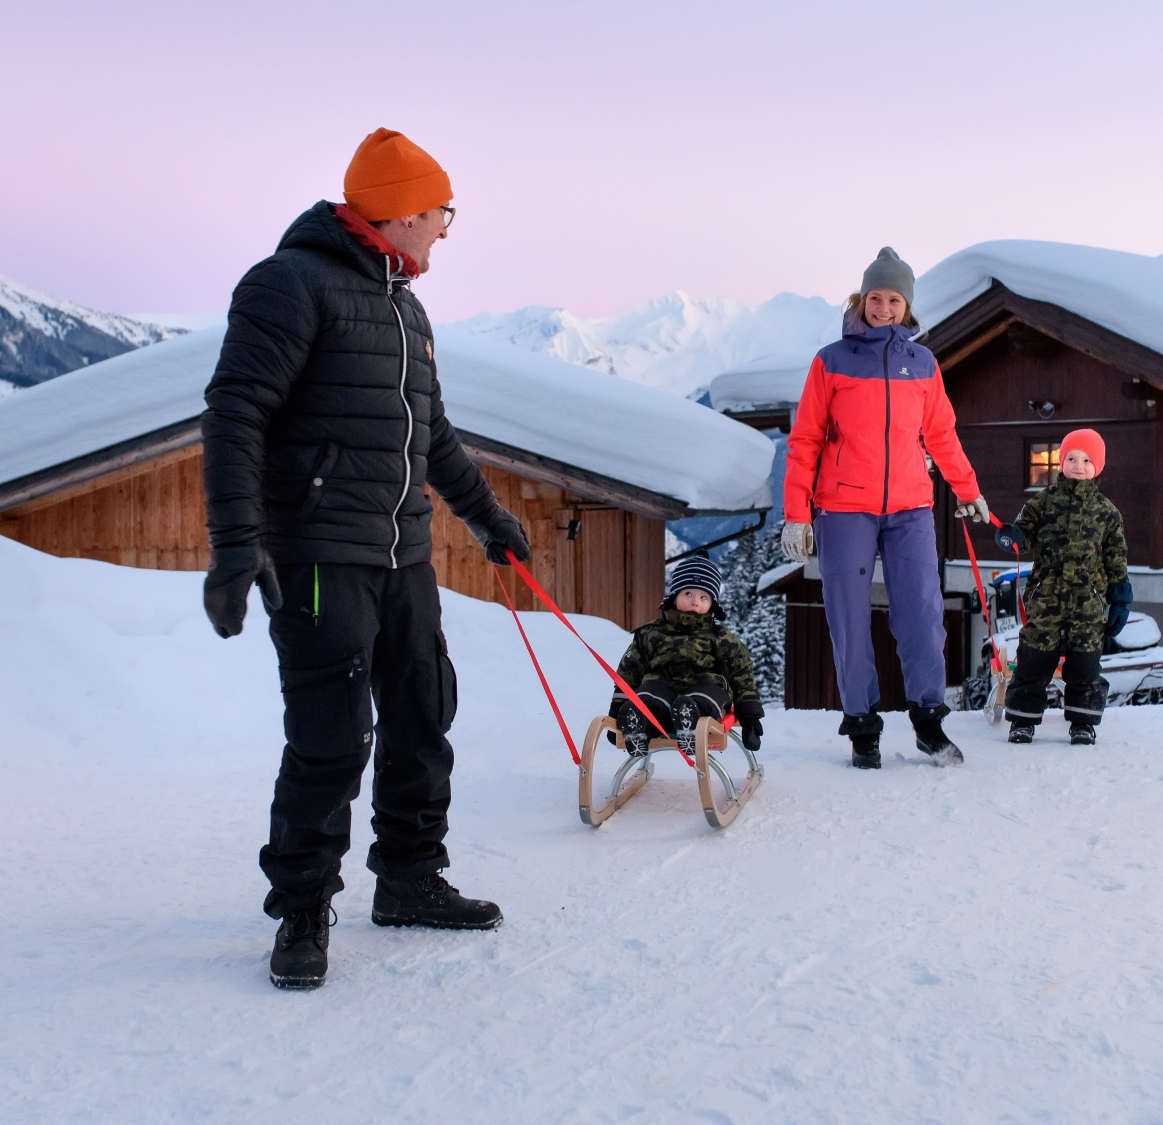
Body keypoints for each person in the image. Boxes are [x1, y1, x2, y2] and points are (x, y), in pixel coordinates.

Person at [201, 128, 532, 991]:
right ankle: (303, 907)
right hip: (317, 554)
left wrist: (489, 517)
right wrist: (238, 543)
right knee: (330, 735)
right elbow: (236, 411)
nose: (447, 230)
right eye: (441, 213)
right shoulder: (290, 285)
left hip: (403, 556)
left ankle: (410, 875)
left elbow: (433, 437)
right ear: (400, 212)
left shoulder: (405, 309)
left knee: (424, 713)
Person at [779, 248, 989, 770]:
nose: (884, 307)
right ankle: (863, 728)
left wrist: (968, 490)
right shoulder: (832, 360)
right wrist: (796, 513)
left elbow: (940, 434)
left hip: (911, 508)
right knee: (848, 619)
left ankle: (929, 724)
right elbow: (804, 439)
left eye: (895, 299)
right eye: (876, 297)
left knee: (922, 615)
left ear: (907, 305)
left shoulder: (922, 363)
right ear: (862, 298)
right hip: (843, 508)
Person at [993, 428, 1131, 746]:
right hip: (1046, 595)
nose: (1078, 465)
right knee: (1035, 657)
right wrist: (1011, 536)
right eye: (1071, 458)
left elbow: (1116, 557)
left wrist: (1120, 596)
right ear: (1061, 463)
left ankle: (1083, 722)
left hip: (1088, 600)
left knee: (1085, 661)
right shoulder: (1042, 503)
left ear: (1098, 466)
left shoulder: (1107, 512)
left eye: (1086, 459)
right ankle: (1023, 721)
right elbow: (1022, 532)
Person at [607, 555, 764, 755]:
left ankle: (691, 719)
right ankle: (640, 722)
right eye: (688, 593)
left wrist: (750, 719)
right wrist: (616, 714)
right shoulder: (650, 634)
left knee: (707, 693)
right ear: (674, 596)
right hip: (662, 685)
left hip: (706, 685)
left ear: (712, 604)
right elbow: (628, 674)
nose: (694, 602)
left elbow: (742, 676)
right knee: (647, 695)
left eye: (703, 597)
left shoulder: (721, 638)